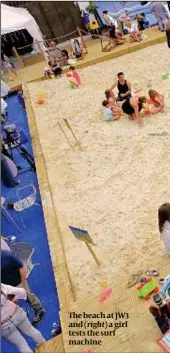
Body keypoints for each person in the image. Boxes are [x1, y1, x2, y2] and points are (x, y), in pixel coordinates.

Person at [1, 250, 45, 326]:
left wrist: (24, 284)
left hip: (18, 282)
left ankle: (39, 310)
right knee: (10, 302)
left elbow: (21, 268)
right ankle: (21, 313)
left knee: (28, 295)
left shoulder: (7, 255)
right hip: (6, 286)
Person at [1, 283, 45, 353]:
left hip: (3, 325)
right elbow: (21, 292)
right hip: (16, 313)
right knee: (31, 331)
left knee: (21, 345)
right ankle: (47, 348)